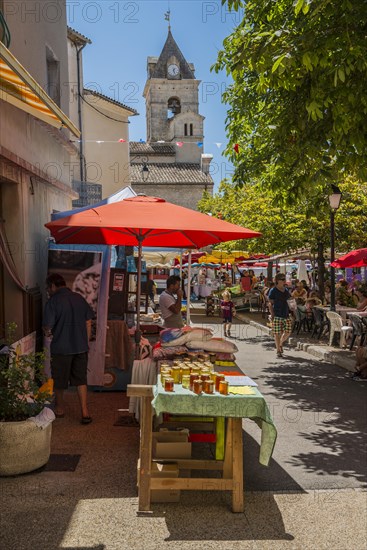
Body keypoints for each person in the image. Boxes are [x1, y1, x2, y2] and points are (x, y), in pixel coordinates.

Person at [43, 273, 94, 424]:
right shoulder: (79, 298)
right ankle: (85, 412)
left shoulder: (53, 301)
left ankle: (60, 408)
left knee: (59, 380)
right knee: (81, 379)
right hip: (80, 347)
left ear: (53, 286)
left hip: (61, 348)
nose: (48, 291)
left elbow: (47, 327)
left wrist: (48, 332)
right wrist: (85, 343)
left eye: (48, 288)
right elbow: (88, 322)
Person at [268, 273, 292, 357]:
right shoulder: (273, 290)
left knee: (288, 332)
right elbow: (270, 303)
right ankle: (278, 350)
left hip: (286, 313)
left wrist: (292, 306)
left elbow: (290, 300)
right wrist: (272, 314)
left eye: (284, 279)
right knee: (277, 333)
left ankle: (280, 343)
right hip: (277, 314)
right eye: (282, 279)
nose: (284, 280)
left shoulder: (286, 290)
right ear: (277, 280)